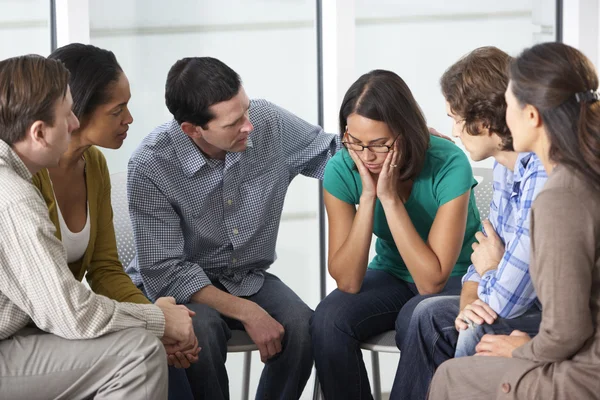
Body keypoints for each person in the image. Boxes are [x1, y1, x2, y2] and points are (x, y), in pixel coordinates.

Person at [125, 56, 339, 399]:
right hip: (182, 287)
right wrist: (249, 312)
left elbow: (334, 155)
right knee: (201, 330)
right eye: (234, 123)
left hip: (245, 275)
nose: (249, 126)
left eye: (247, 110)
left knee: (301, 325)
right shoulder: (151, 165)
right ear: (193, 130)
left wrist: (405, 144)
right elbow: (165, 272)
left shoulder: (266, 121)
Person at [0, 54, 196, 399]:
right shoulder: (15, 196)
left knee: (143, 341)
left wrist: (155, 320)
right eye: (67, 115)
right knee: (138, 354)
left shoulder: (87, 166)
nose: (73, 123)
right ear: (39, 132)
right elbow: (71, 314)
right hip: (22, 337)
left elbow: (103, 271)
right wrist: (159, 321)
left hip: (28, 331)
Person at [429, 41, 600, 400]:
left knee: (451, 376)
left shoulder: (560, 197)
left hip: (585, 369)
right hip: (578, 350)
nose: (501, 119)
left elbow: (566, 331)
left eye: (508, 106)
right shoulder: (581, 174)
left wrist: (522, 349)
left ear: (532, 116)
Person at [309, 69, 481, 399]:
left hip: (458, 277)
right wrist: (368, 197)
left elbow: (432, 281)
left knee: (415, 318)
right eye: (354, 141)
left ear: (405, 132)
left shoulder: (448, 163)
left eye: (378, 145)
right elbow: (348, 281)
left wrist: (389, 198)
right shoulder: (342, 168)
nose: (365, 156)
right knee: (328, 321)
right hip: (391, 273)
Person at [389, 47, 547, 399]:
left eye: (457, 119)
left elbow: (507, 300)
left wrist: (489, 271)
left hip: (558, 320)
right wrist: (471, 298)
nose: (453, 131)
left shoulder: (541, 173)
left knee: (476, 327)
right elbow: (481, 260)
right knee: (431, 315)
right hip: (518, 299)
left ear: (485, 122)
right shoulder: (506, 169)